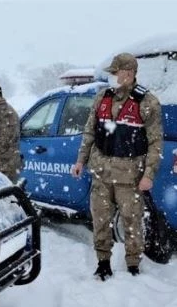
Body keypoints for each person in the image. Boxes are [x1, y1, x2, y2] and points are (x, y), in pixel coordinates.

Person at [70, 53, 163, 281]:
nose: (111, 76)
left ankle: (133, 265)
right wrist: (81, 160)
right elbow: (90, 131)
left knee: (132, 221)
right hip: (101, 172)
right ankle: (103, 263)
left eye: (115, 72)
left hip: (129, 176)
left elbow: (155, 142)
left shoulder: (147, 102)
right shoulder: (103, 97)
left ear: (129, 73)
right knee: (100, 220)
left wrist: (148, 175)